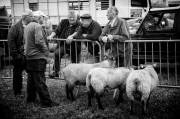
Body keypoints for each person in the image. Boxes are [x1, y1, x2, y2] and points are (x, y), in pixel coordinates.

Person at [24, 10, 59, 107]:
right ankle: (46, 102)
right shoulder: (37, 26)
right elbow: (39, 41)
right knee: (40, 81)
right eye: (43, 18)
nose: (44, 19)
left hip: (29, 57)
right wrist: (47, 53)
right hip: (37, 57)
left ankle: (30, 99)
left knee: (31, 80)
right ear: (39, 17)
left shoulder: (28, 26)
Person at [7, 9, 33, 96]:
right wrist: (16, 55)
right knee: (18, 73)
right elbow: (10, 41)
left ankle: (31, 91)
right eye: (31, 16)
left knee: (31, 72)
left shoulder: (31, 26)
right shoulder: (15, 28)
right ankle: (17, 91)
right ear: (26, 17)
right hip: (19, 55)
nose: (33, 18)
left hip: (28, 54)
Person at [48, 11, 81, 78]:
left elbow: (78, 31)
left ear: (76, 17)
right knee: (57, 53)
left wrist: (71, 36)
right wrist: (51, 36)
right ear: (67, 17)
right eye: (70, 17)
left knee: (75, 62)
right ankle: (55, 72)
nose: (72, 19)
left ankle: (76, 77)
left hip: (75, 46)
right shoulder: (64, 22)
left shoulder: (79, 23)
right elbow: (57, 30)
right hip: (64, 44)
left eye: (73, 17)